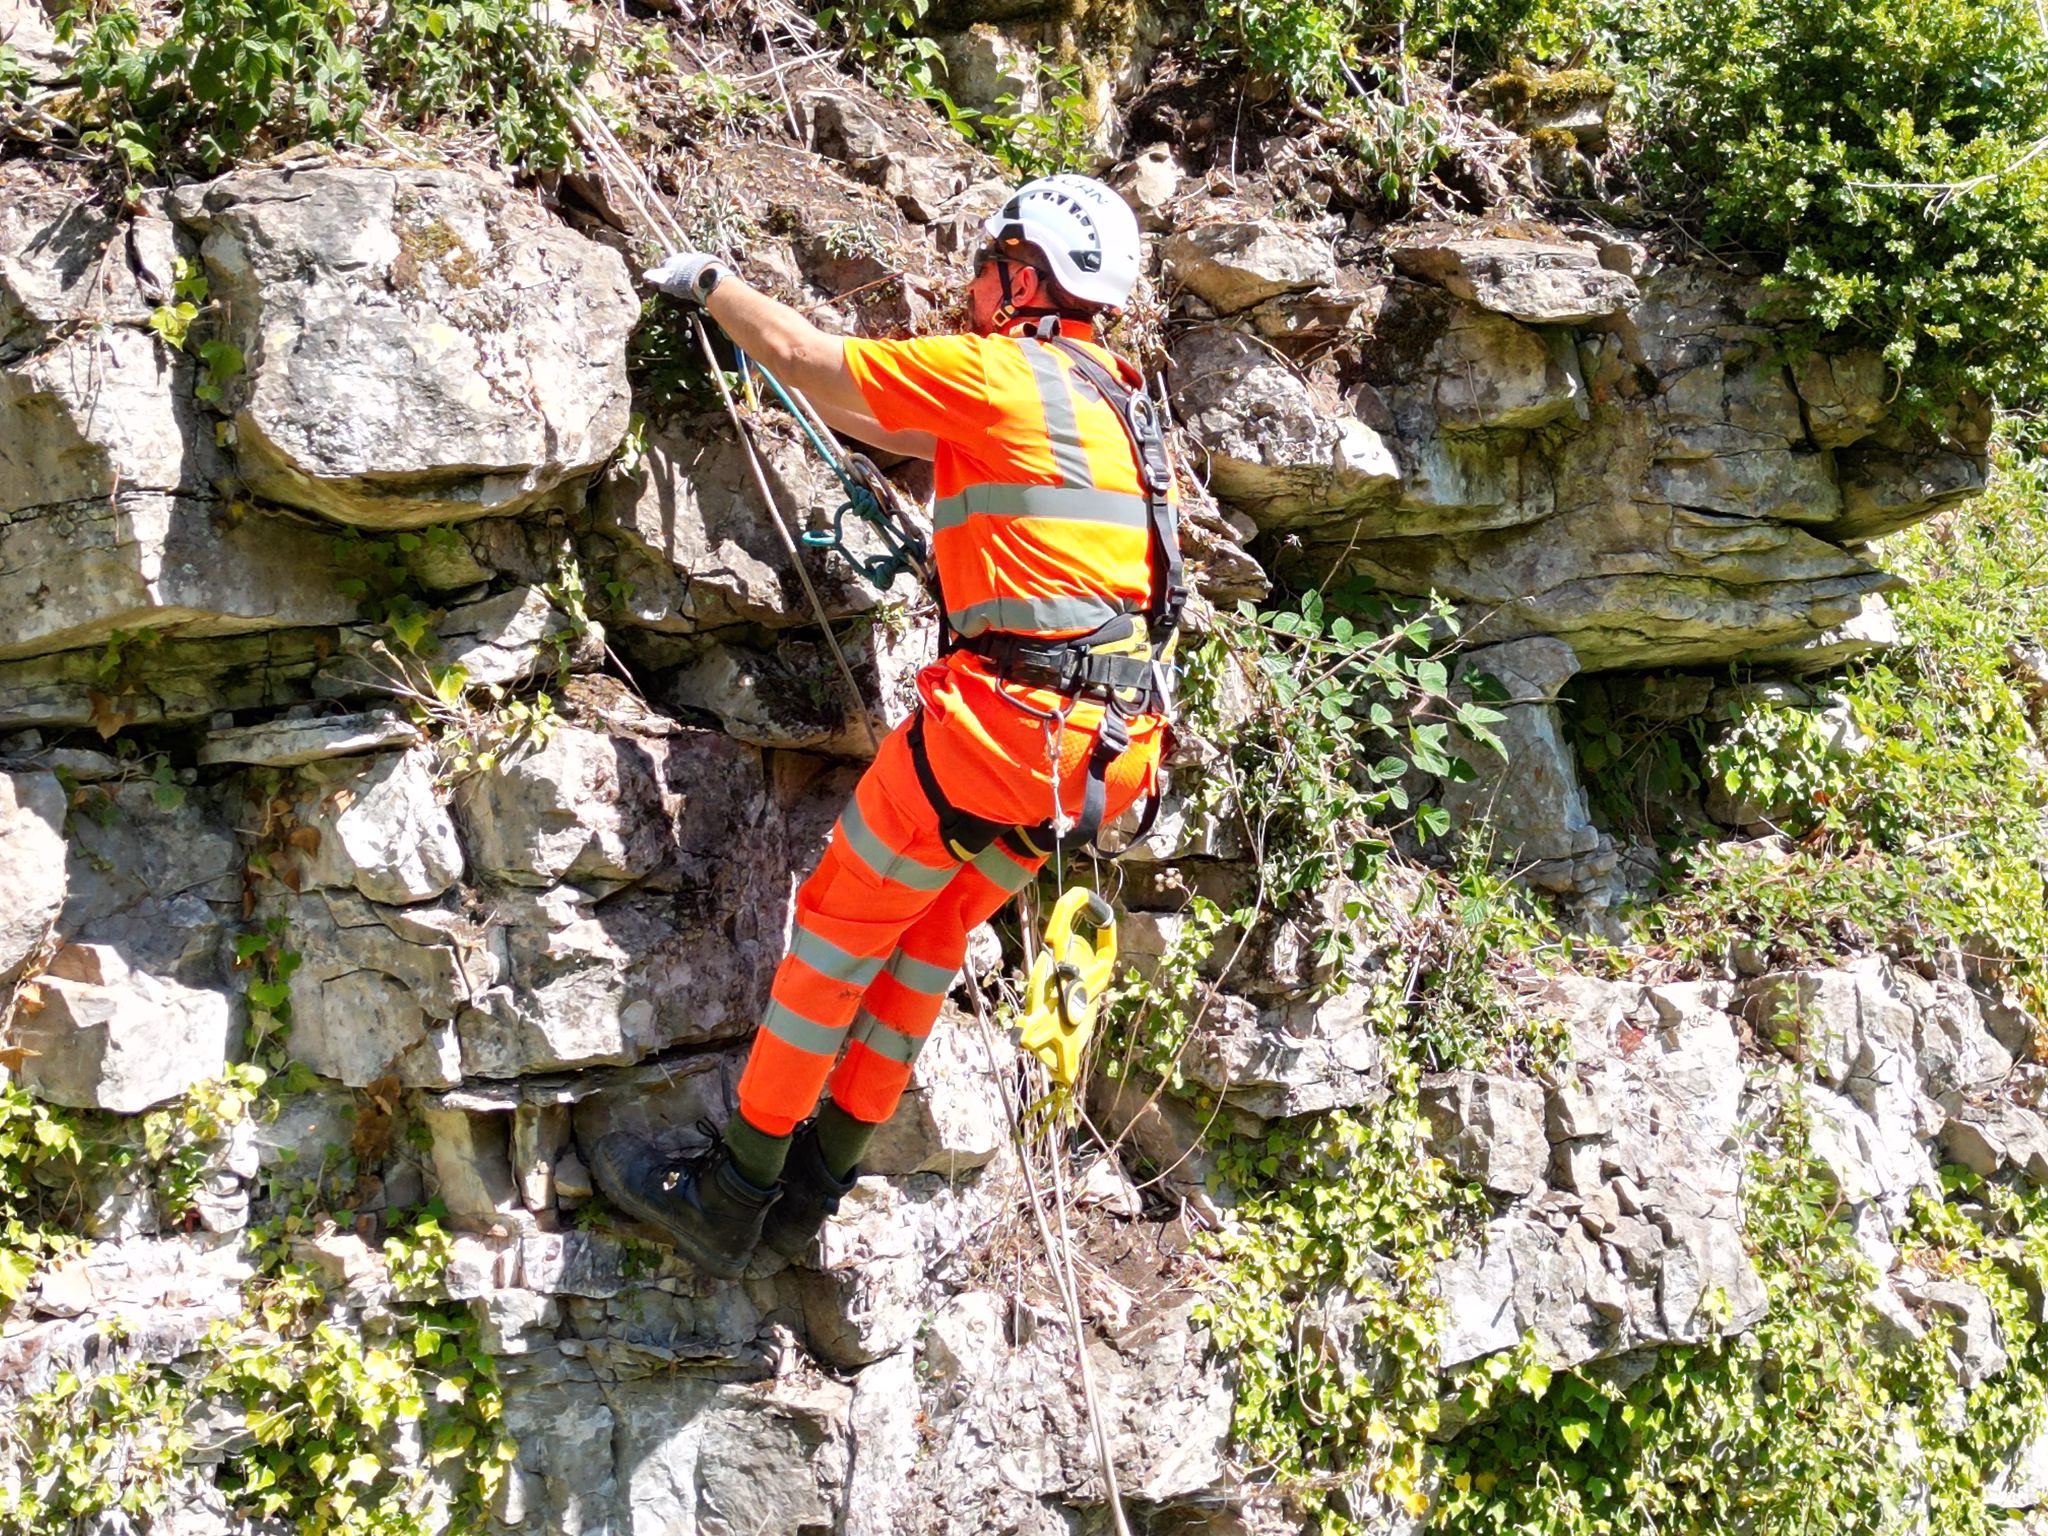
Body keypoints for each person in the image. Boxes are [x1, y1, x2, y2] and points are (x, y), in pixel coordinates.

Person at [591, 174, 1185, 1278]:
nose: (968, 284)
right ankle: (817, 1185)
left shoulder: (1003, 373)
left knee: (831, 934)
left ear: (1023, 277)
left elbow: (824, 366)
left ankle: (733, 1194)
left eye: (984, 263)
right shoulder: (1115, 400)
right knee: (924, 942)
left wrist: (714, 290)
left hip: (1006, 734)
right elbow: (869, 419)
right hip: (1109, 759)